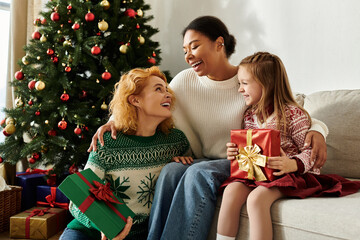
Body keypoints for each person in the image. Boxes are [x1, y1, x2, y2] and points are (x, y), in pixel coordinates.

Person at [88, 16, 328, 240]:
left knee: (198, 174)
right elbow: (150, 103)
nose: (188, 56)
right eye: (185, 51)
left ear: (218, 44)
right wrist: (115, 121)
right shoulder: (184, 82)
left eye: (194, 46)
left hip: (236, 162)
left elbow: (284, 107)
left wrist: (317, 129)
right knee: (171, 171)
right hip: (200, 159)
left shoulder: (248, 79)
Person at [217, 52, 360, 240]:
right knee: (231, 191)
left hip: (288, 176)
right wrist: (235, 153)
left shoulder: (293, 114)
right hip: (257, 175)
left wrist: (293, 164)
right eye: (239, 84)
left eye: (245, 83)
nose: (240, 90)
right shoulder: (249, 116)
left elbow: (311, 153)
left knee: (256, 199)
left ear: (266, 84)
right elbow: (250, 150)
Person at [60, 66, 191, 240]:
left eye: (167, 90)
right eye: (158, 89)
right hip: (90, 231)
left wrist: (186, 163)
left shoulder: (176, 142)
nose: (168, 95)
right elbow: (78, 199)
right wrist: (104, 227)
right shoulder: (109, 142)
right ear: (135, 100)